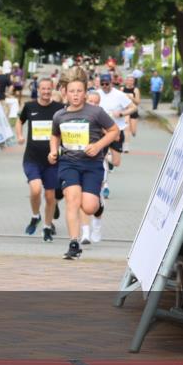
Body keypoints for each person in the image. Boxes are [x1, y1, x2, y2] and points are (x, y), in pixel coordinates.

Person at [48, 78, 118, 260]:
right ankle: (74, 243)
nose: (76, 95)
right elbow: (55, 135)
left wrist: (97, 146)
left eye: (79, 91)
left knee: (88, 207)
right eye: (72, 91)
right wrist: (53, 151)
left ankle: (99, 204)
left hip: (92, 165)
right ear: (66, 93)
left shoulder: (96, 112)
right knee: (72, 200)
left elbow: (114, 131)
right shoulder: (59, 116)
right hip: (68, 163)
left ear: (85, 93)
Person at [16, 77, 64, 242]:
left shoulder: (59, 108)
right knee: (36, 189)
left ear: (52, 89)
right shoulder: (30, 106)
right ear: (38, 89)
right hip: (32, 158)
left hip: (52, 160)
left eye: (48, 89)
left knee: (50, 197)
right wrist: (20, 135)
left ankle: (47, 227)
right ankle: (35, 216)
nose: (45, 92)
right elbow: (19, 121)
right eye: (42, 89)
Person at [96, 73, 136, 200]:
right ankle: (105, 186)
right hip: (100, 132)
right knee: (100, 159)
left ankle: (107, 160)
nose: (104, 86)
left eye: (107, 84)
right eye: (102, 84)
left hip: (117, 131)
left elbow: (133, 107)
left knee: (116, 162)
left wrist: (122, 113)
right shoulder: (96, 94)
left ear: (111, 83)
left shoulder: (119, 95)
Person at [121, 75, 141, 151]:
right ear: (126, 81)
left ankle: (133, 132)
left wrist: (131, 97)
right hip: (125, 110)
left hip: (133, 110)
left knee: (133, 131)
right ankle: (126, 146)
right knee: (126, 128)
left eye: (131, 80)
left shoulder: (136, 90)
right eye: (128, 80)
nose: (130, 82)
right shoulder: (122, 89)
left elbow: (138, 102)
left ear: (133, 81)